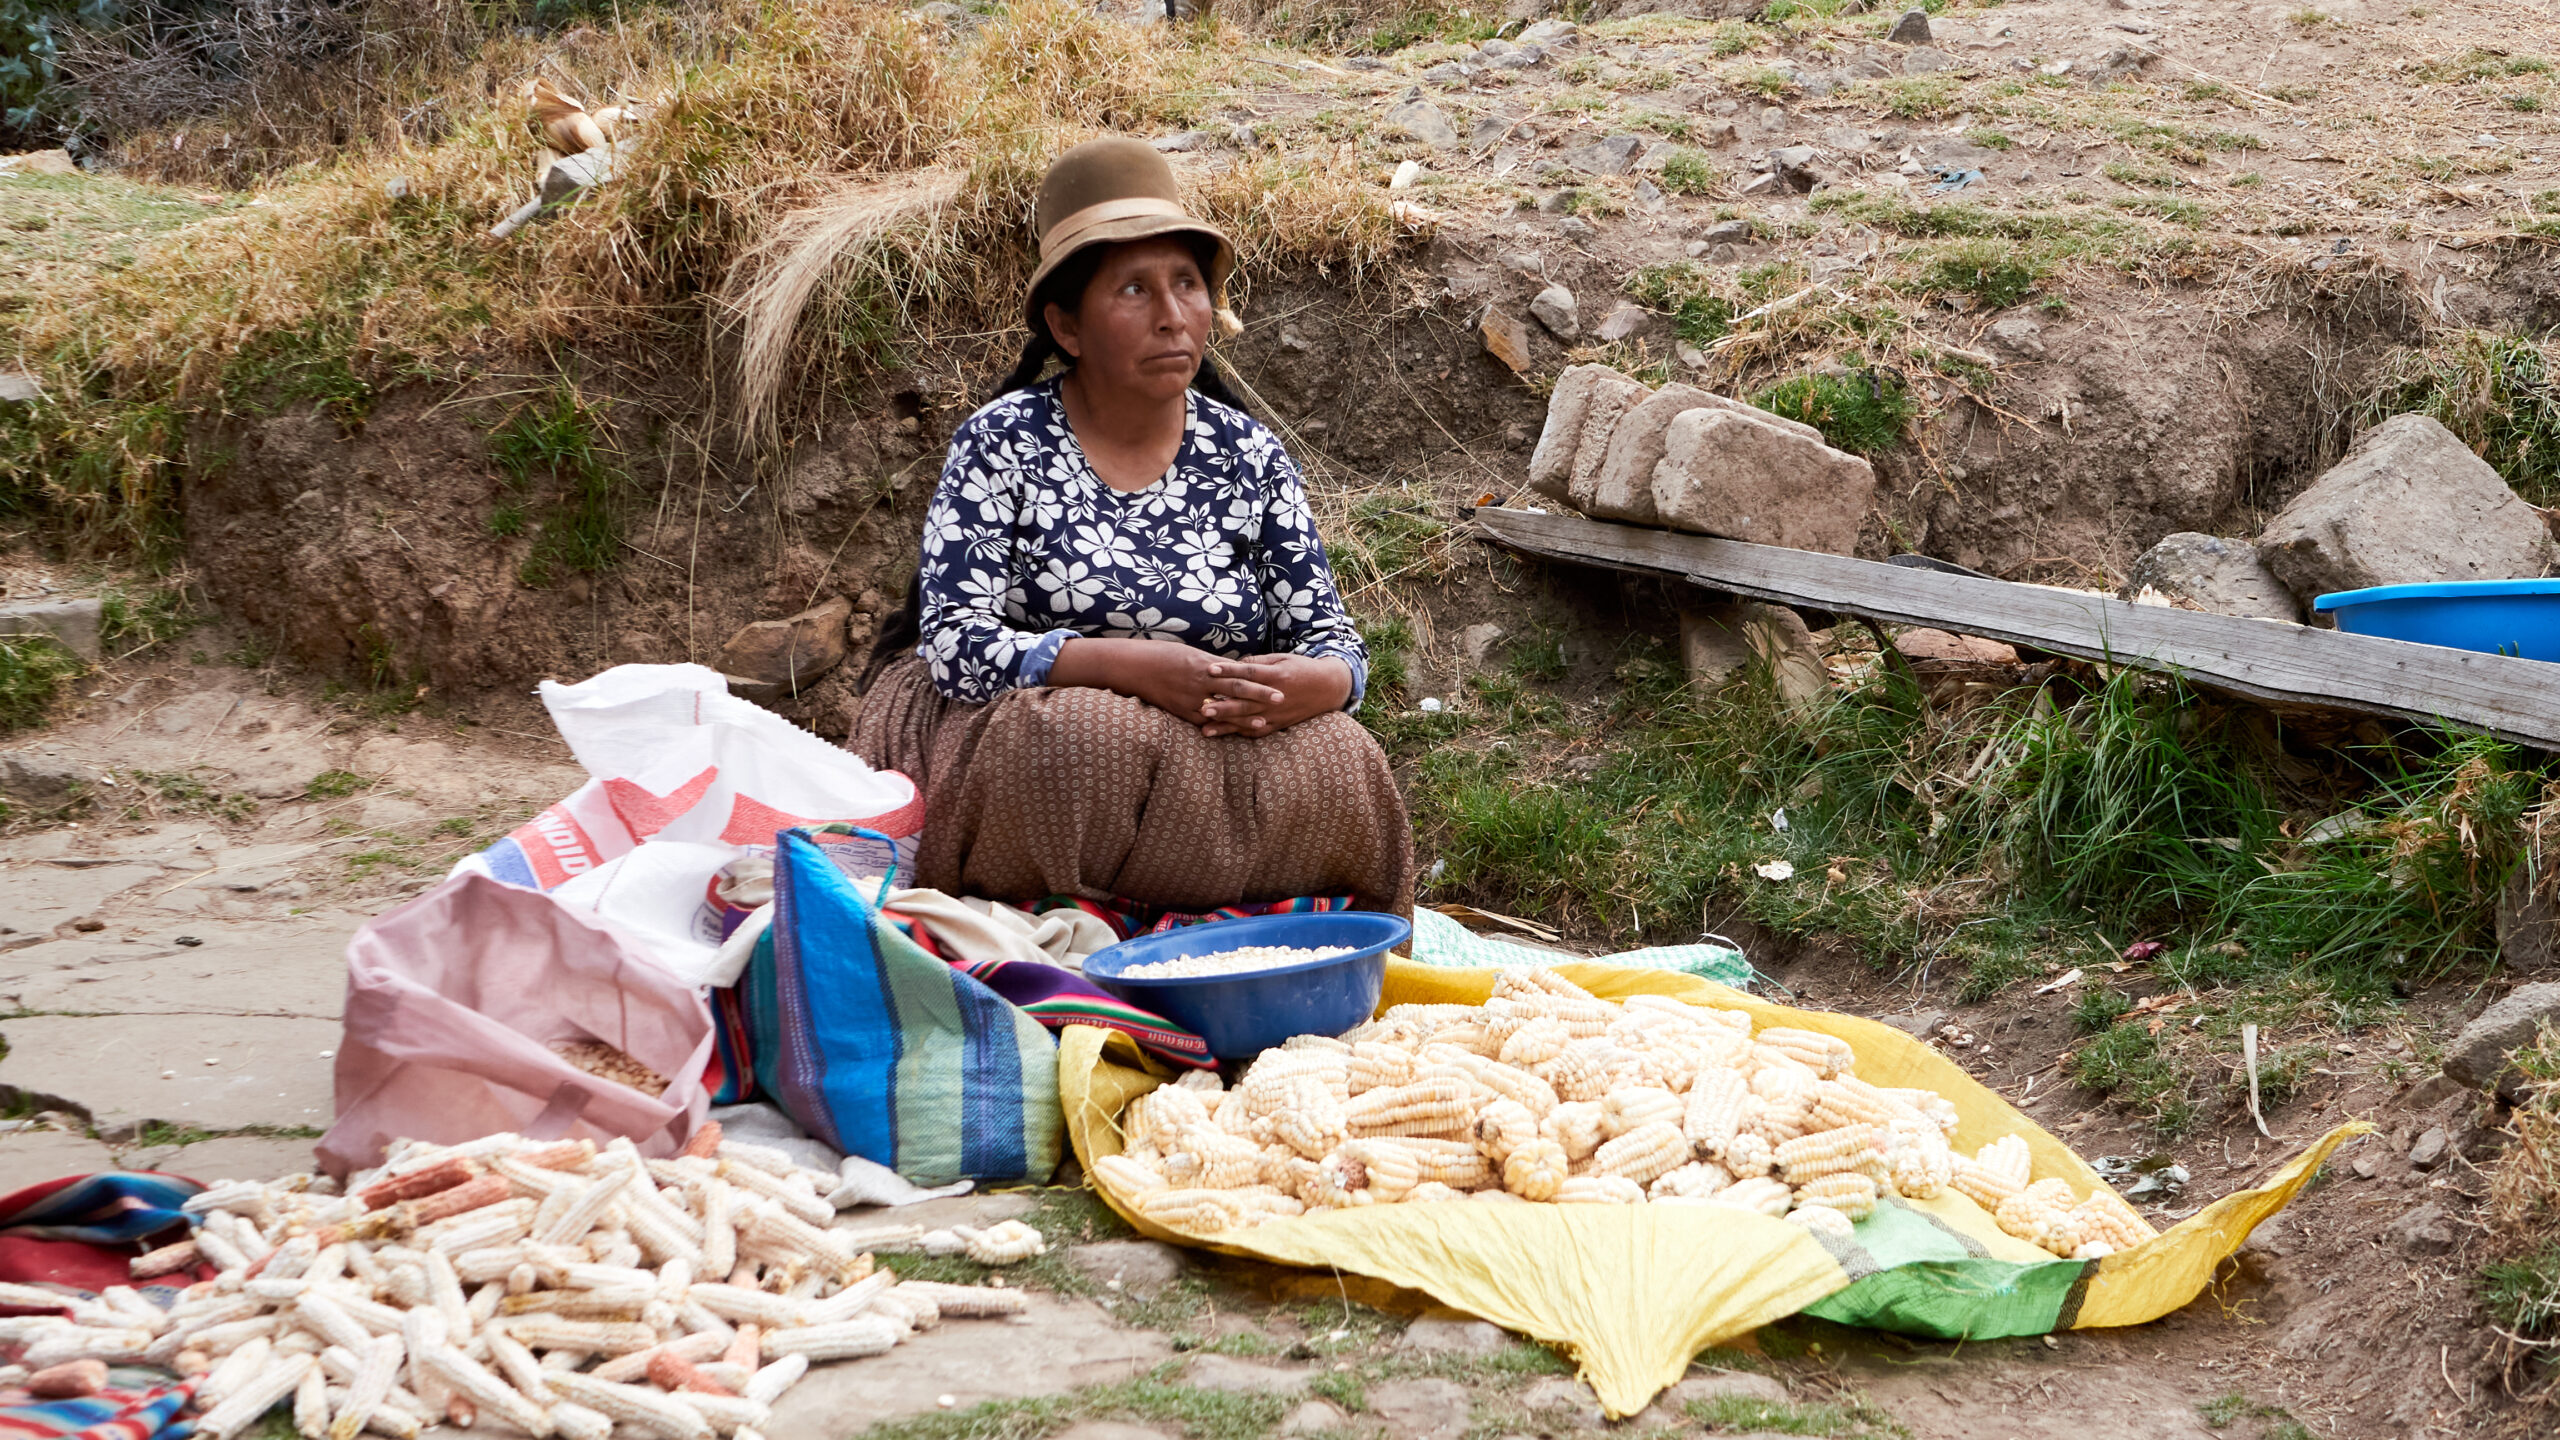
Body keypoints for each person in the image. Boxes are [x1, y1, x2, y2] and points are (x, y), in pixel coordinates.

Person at [848, 137, 1413, 916]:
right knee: (1080, 739)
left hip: (1214, 737)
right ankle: (1073, 927)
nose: (1174, 317)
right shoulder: (1000, 443)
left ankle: (1242, 929)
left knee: (1345, 758)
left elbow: (1331, 640)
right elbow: (954, 647)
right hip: (1052, 731)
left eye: (1187, 284)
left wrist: (1309, 686)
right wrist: (1131, 668)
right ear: (1068, 327)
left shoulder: (1246, 453)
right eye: (1135, 291)